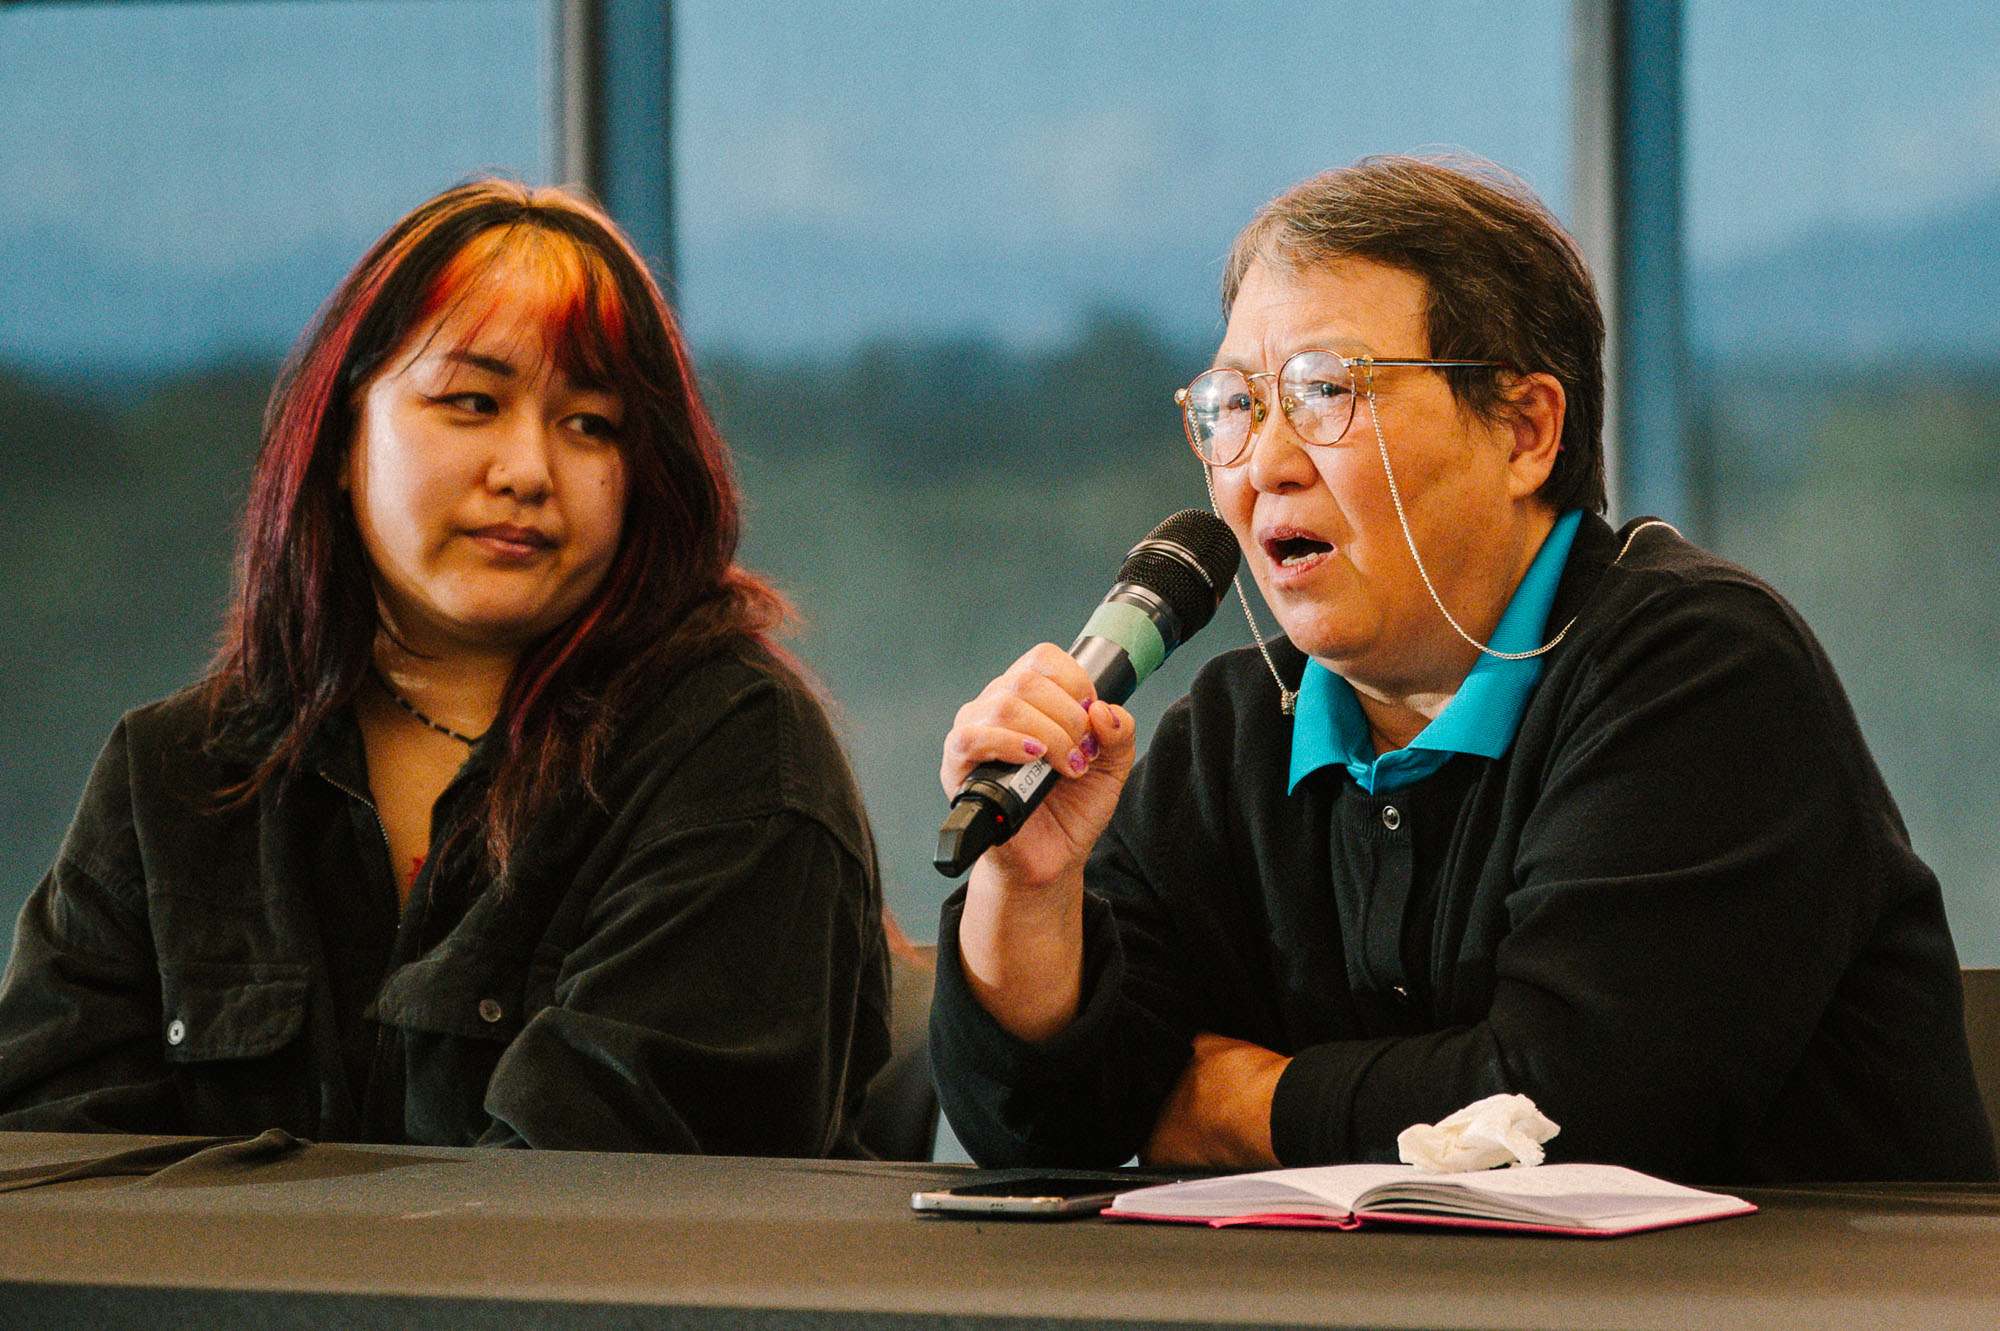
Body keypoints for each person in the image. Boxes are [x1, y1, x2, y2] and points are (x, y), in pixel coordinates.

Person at [929, 155, 1997, 1183]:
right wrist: (1028, 888)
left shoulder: (1700, 669)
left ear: (1525, 430)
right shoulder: (1235, 728)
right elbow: (1041, 1123)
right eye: (1233, 405)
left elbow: (1570, 1110)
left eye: (1324, 391)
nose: (1266, 463)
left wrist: (1229, 1107)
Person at [0, 180, 889, 1153]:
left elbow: (599, 1200)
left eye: (591, 423)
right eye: (473, 402)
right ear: (342, 439)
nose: (528, 470)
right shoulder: (175, 771)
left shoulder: (733, 750)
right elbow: (49, 1172)